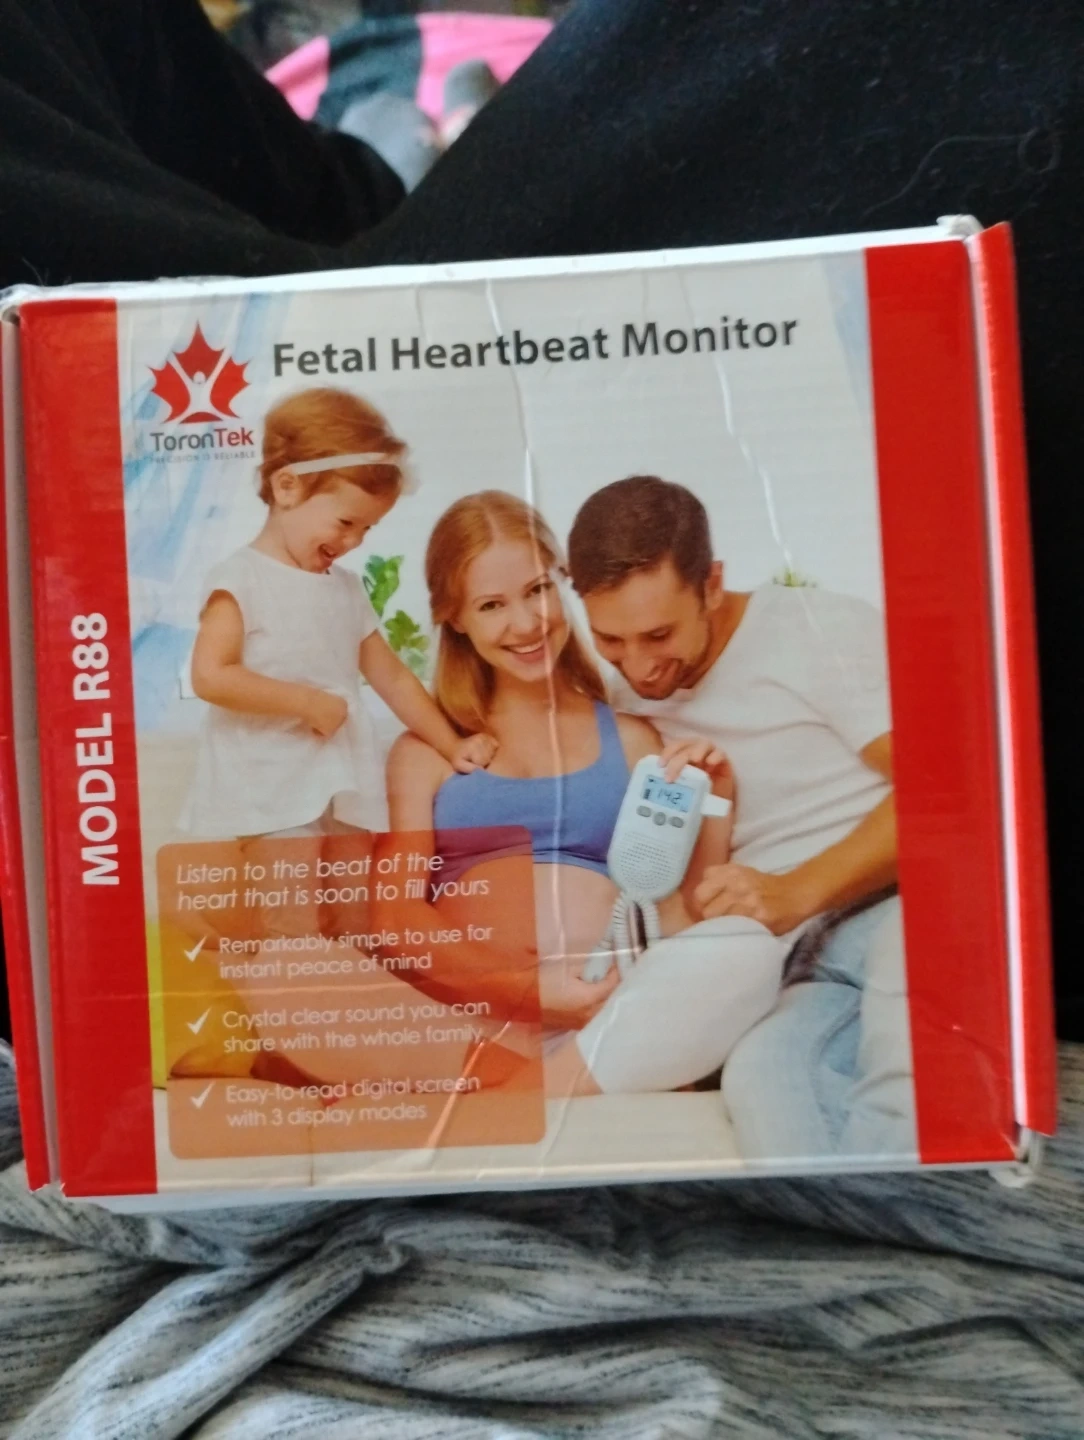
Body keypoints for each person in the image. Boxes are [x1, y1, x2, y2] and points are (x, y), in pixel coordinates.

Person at [0, 0, 1080, 1051]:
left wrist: (709, 823)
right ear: (456, 620)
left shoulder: (644, 725)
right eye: (505, 608)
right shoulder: (395, 708)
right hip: (452, 949)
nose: (630, 663)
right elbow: (365, 846)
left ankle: (388, 152)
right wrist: (353, 725)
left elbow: (699, 881)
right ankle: (391, 151)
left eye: (540, 595)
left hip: (644, 973)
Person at [385, 490, 786, 1095]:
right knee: (283, 973)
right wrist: (527, 991)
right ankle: (536, 1087)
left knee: (745, 948)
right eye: (492, 605)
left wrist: (715, 798)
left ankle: (526, 1094)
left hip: (608, 1018)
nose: (527, 623)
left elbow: (676, 916)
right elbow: (396, 918)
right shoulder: (424, 752)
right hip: (473, 1020)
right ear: (455, 617)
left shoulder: (633, 739)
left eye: (538, 590)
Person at [566, 475, 911, 1156]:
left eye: (659, 633)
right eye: (610, 639)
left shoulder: (814, 630)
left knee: (909, 1071)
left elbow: (948, 788)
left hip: (896, 906)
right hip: (790, 966)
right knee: (768, 1094)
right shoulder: (621, 704)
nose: (640, 666)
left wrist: (796, 891)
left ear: (713, 585)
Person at [185, 386, 495, 844]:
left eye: (367, 528)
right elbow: (211, 676)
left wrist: (452, 745)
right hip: (266, 791)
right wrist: (305, 703)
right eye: (346, 522)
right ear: (287, 487)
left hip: (342, 782)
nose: (354, 541)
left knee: (353, 888)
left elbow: (393, 679)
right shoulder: (241, 579)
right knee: (292, 891)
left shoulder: (345, 589)